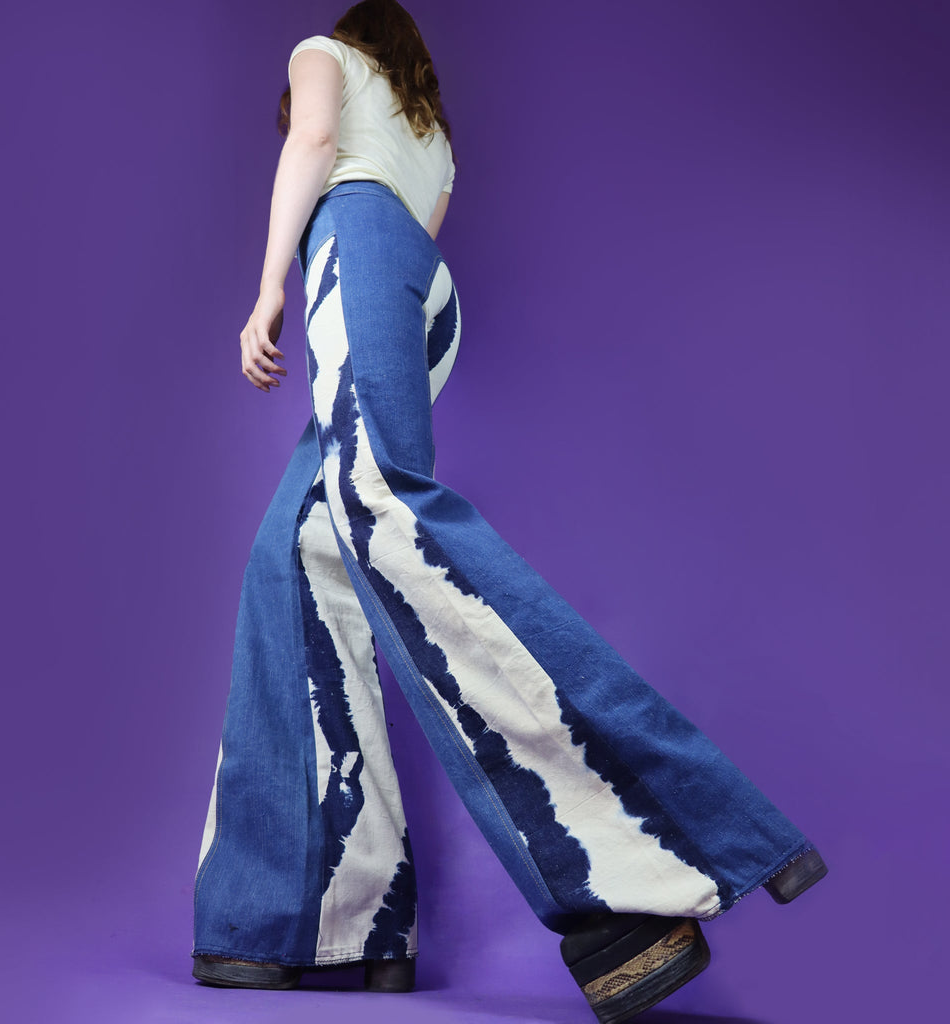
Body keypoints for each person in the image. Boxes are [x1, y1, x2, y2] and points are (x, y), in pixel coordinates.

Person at [190, 2, 827, 1020]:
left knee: (385, 511)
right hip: (421, 291)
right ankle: (323, 922)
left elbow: (312, 146)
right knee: (299, 561)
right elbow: (422, 250)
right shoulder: (434, 141)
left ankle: (659, 860)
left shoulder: (321, 53)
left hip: (354, 244)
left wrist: (269, 288)